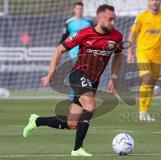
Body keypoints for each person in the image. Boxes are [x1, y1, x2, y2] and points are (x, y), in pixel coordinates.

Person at [23, 4, 123, 156]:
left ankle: (36, 121)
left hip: (93, 80)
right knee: (90, 105)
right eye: (110, 19)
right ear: (100, 18)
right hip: (79, 74)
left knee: (72, 123)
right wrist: (51, 73)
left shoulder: (116, 36)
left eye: (114, 20)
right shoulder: (84, 33)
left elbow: (118, 55)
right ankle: (77, 149)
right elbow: (59, 49)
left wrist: (113, 78)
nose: (113, 23)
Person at [127, 0, 161, 121]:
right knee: (146, 79)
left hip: (157, 55)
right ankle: (141, 112)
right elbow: (132, 34)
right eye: (152, 0)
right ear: (148, 2)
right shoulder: (141, 17)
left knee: (151, 84)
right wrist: (130, 52)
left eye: (157, 0)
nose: (155, 2)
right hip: (143, 53)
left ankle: (145, 111)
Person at [59, 1, 93, 100]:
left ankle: (78, 94)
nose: (79, 11)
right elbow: (64, 37)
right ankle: (74, 95)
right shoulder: (69, 22)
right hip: (74, 51)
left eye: (81, 9)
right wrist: (60, 50)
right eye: (77, 9)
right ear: (74, 10)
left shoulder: (88, 22)